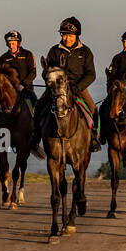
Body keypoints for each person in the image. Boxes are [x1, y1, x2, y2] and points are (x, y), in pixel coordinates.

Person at [30, 16, 99, 152]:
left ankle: (94, 137)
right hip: (56, 88)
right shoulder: (54, 51)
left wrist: (77, 87)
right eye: (64, 35)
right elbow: (46, 72)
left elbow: (91, 74)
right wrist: (50, 81)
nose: (67, 38)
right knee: (39, 106)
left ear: (77, 35)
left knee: (92, 108)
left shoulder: (85, 52)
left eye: (70, 35)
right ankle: (36, 136)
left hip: (78, 87)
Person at [0, 29, 37, 137]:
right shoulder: (3, 58)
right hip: (8, 92)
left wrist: (23, 84)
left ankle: (35, 130)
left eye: (13, 43)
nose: (11, 45)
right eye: (9, 43)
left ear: (18, 43)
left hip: (26, 90)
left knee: (35, 104)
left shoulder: (28, 55)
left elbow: (33, 72)